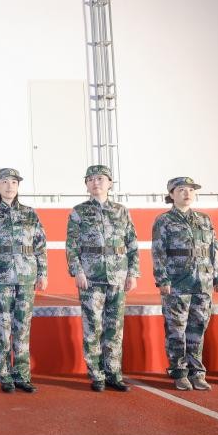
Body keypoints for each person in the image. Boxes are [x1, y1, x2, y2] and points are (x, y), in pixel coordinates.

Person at [65, 164, 139, 392]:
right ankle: (96, 374)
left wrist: (133, 273)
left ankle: (113, 373)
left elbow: (132, 244)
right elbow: (72, 245)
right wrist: (77, 271)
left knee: (114, 327)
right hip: (91, 277)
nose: (95, 182)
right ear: (86, 185)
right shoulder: (79, 211)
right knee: (93, 327)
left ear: (110, 183)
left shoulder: (121, 211)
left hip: (117, 275)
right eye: (91, 179)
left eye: (100, 178)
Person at [0, 167, 48, 393]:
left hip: (26, 277)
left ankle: (22, 375)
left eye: (14, 182)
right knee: (2, 327)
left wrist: (42, 273)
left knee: (23, 327)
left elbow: (40, 245)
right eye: (5, 182)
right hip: (0, 278)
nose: (9, 186)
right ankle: (4, 374)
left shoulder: (30, 213)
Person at [151, 177, 218, 391]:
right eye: (181, 190)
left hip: (203, 282)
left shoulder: (204, 219)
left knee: (198, 328)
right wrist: (162, 279)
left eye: (191, 190)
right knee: (176, 329)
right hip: (177, 282)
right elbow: (158, 252)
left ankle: (197, 372)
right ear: (171, 194)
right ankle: (179, 372)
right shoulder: (164, 220)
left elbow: (213, 249)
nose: (187, 193)